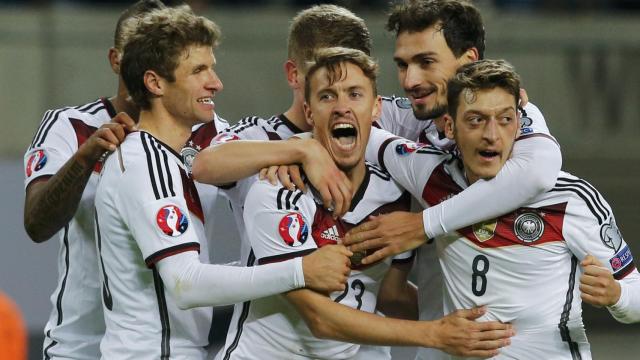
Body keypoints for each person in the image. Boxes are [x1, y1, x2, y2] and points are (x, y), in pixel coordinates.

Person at [212, 47, 513, 360]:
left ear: (376, 109)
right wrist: (436, 333)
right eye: (328, 96)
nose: (342, 107)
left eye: (355, 94)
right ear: (310, 112)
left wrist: (480, 321)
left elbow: (390, 294)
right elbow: (319, 318)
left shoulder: (397, 191)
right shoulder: (278, 188)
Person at [94, 8, 350, 359]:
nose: (216, 83)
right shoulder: (142, 163)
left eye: (212, 68)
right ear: (155, 83)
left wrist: (293, 152)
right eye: (199, 70)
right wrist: (299, 269)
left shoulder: (178, 153)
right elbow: (186, 283)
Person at [365, 58, 640, 359]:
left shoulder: (569, 199)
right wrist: (305, 148)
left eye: (505, 119)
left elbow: (635, 294)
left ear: (520, 124)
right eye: (475, 120)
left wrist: (617, 298)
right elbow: (356, 134)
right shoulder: (433, 175)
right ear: (449, 127)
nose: (492, 135)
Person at [342, 2, 562, 358]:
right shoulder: (403, 119)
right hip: (438, 345)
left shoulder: (512, 117)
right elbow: (330, 124)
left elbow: (538, 172)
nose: (410, 81)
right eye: (402, 65)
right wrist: (301, 152)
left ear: (468, 59)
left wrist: (422, 225)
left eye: (426, 63)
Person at [22, 1, 164, 358]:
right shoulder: (70, 126)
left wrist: (299, 153)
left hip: (164, 351)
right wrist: (85, 157)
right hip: (81, 348)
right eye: (136, 51)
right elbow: (37, 224)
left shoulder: (203, 137)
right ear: (115, 59)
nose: (146, 66)